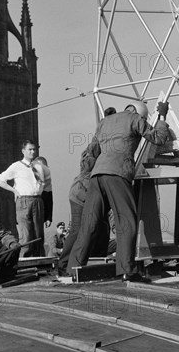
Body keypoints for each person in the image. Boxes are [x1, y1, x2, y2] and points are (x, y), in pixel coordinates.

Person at [67, 100, 170, 281]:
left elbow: (91, 152)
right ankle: (127, 270)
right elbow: (159, 138)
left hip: (97, 176)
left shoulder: (105, 121)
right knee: (127, 222)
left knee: (89, 222)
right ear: (139, 113)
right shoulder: (135, 119)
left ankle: (73, 267)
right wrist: (162, 117)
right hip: (118, 174)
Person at [57, 141, 110, 275]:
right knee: (78, 229)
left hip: (89, 190)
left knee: (102, 228)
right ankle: (63, 265)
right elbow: (88, 165)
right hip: (82, 192)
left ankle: (96, 261)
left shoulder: (106, 146)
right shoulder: (96, 147)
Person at [0, 140, 52, 256]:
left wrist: (48, 215)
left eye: (34, 149)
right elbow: (0, 181)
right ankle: (24, 263)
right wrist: (14, 191)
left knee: (39, 236)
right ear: (23, 151)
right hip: (23, 201)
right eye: (30, 149)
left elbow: (48, 189)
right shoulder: (16, 166)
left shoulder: (41, 167)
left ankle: (39, 263)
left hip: (38, 200)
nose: (32, 151)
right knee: (25, 236)